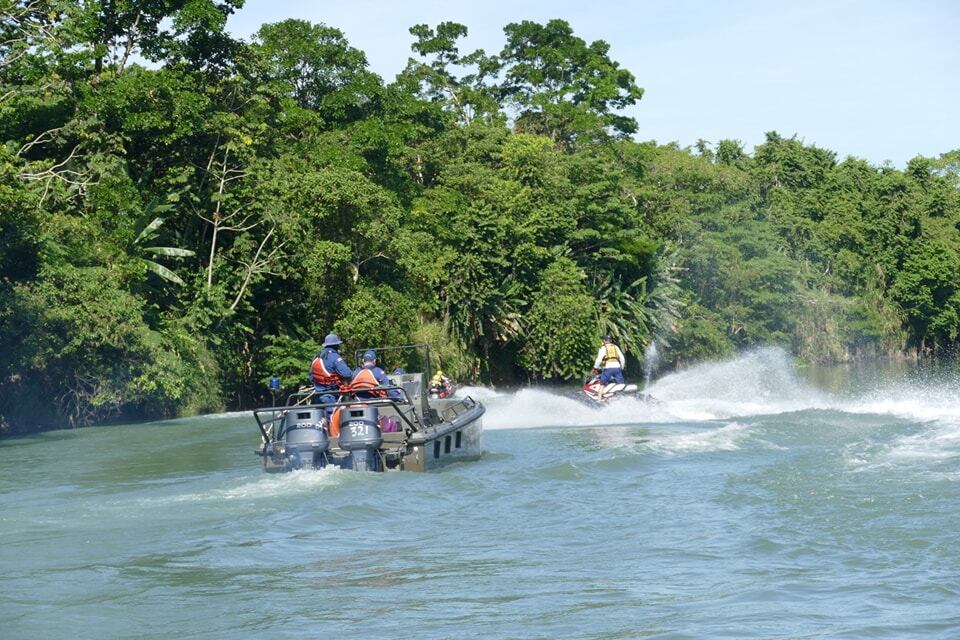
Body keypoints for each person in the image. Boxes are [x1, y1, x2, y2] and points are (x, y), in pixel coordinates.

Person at [309, 333, 354, 409]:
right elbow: (347, 374)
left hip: (318, 396)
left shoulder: (317, 357)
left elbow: (310, 378)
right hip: (331, 395)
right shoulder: (334, 356)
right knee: (333, 416)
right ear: (336, 345)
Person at [592, 335, 626, 400]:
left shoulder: (603, 348)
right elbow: (622, 358)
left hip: (608, 368)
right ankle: (622, 399)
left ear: (604, 341)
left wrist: (595, 368)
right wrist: (622, 367)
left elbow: (599, 360)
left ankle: (599, 400)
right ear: (611, 340)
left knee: (602, 384)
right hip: (617, 367)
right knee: (621, 384)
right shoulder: (615, 347)